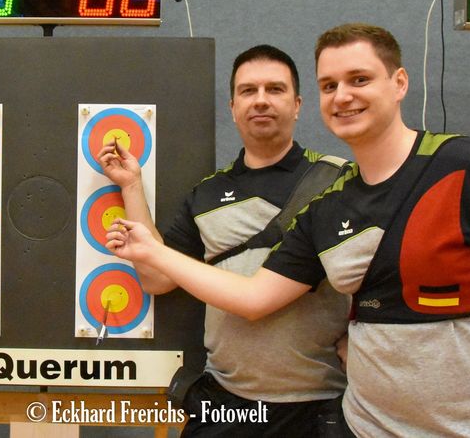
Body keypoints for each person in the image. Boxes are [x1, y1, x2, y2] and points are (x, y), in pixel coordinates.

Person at [106, 23, 470, 436]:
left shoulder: (464, 170)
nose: (343, 96)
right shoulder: (322, 207)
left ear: (399, 83)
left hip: (345, 407)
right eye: (330, 86)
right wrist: (136, 200)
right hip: (311, 414)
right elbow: (240, 294)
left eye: (359, 80)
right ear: (232, 106)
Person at [97, 45, 351, 437]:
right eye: (248, 91)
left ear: (298, 104)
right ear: (232, 107)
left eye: (275, 89)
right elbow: (156, 278)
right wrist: (131, 186)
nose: (261, 100)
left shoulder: (339, 182)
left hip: (316, 406)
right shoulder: (206, 194)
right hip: (225, 406)